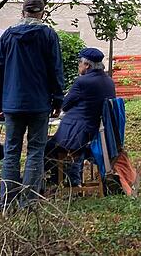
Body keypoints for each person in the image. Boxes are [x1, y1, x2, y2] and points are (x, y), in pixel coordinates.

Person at [0, 0, 65, 209]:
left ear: (23, 12)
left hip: (12, 104)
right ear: (42, 13)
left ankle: (7, 201)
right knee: (35, 151)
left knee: (11, 150)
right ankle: (29, 203)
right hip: (39, 103)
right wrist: (57, 99)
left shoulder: (8, 36)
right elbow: (55, 70)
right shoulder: (49, 35)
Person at [46, 47, 115, 186]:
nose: (79, 65)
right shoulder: (109, 81)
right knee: (59, 147)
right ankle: (71, 179)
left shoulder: (83, 82)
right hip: (97, 133)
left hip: (77, 134)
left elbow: (65, 105)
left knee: (46, 148)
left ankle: (54, 181)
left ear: (87, 65)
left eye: (80, 63)